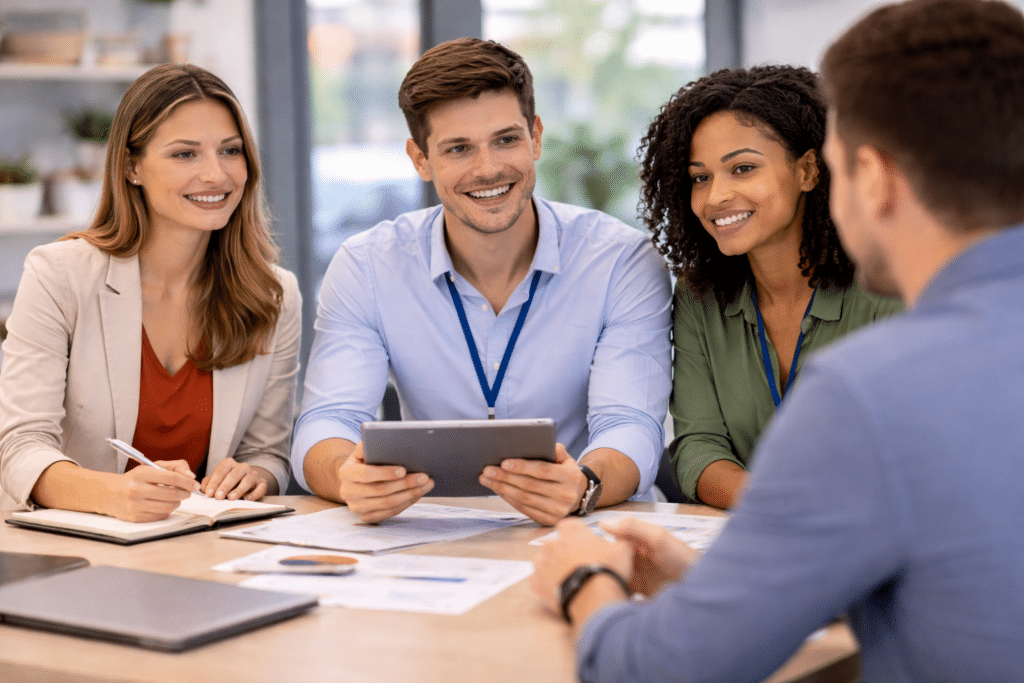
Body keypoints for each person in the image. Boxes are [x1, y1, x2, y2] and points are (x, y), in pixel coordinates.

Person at [530, 0, 1024, 680]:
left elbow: (656, 669)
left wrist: (584, 577)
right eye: (700, 177)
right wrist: (760, 577)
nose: (714, 195)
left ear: (866, 177)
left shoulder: (872, 390)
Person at [292, 37, 671, 526]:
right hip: (430, 532)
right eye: (458, 148)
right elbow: (326, 420)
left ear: (536, 136)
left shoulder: (620, 260)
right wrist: (347, 475)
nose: (488, 168)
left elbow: (631, 424)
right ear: (420, 159)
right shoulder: (367, 266)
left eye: (506, 139)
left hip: (586, 524)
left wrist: (584, 485)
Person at [0, 64, 300, 521]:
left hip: (204, 545)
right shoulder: (59, 274)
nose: (216, 174)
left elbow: (268, 451)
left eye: (230, 150)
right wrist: (112, 494)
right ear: (131, 166)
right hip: (75, 549)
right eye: (185, 154)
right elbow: (19, 446)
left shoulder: (274, 294)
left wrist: (259, 474)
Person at [638, 65, 901, 509]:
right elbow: (698, 447)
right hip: (756, 538)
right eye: (700, 177)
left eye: (742, 169)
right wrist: (775, 510)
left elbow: (903, 452)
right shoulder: (699, 296)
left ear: (808, 171)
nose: (715, 196)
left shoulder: (886, 289)